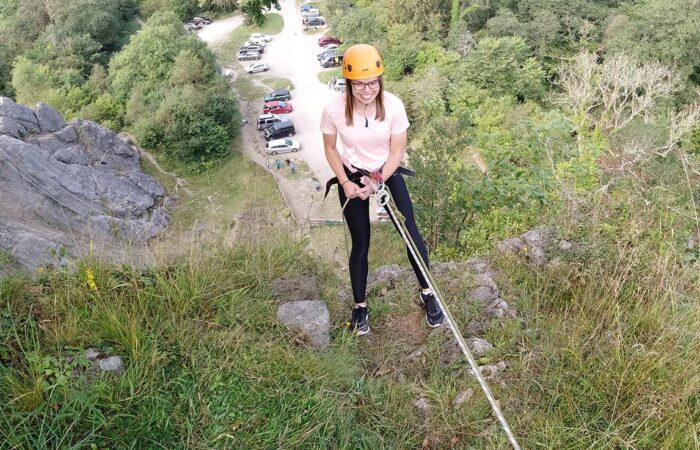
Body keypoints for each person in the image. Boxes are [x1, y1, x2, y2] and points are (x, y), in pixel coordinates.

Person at [320, 44, 445, 336]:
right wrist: (347, 182)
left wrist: (376, 181)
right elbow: (329, 148)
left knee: (410, 230)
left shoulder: (393, 106)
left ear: (380, 80)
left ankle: (427, 292)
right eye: (359, 84)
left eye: (373, 82)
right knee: (361, 240)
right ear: (348, 83)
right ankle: (360, 306)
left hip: (385, 171)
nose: (367, 90)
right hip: (351, 173)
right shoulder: (334, 109)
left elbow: (397, 151)